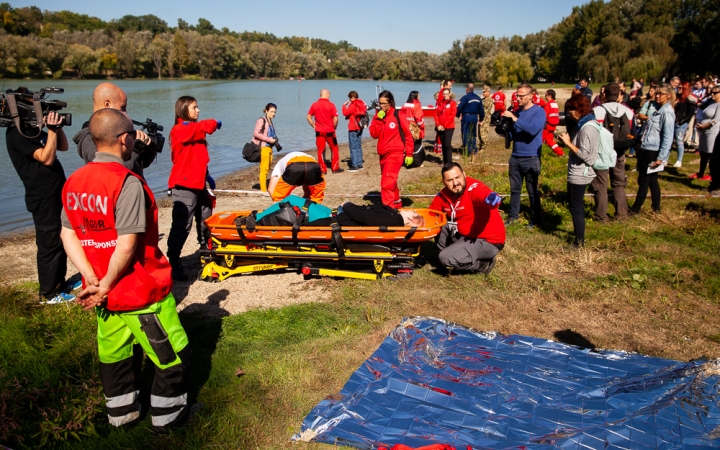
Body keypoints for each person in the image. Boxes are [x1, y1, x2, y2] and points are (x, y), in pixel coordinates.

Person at [60, 108, 191, 431]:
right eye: (132, 134)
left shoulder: (74, 180)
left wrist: (89, 276)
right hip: (139, 291)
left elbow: (67, 232)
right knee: (173, 355)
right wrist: (104, 283)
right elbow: (127, 244)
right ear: (124, 140)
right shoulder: (127, 183)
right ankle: (168, 417)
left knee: (114, 355)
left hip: (103, 296)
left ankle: (121, 416)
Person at [5, 87, 73, 303]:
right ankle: (48, 293)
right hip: (42, 197)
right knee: (49, 243)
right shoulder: (17, 133)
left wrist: (56, 128)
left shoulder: (34, 130)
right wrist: (51, 130)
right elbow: (46, 158)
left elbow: (62, 147)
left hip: (56, 191)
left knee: (61, 238)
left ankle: (60, 283)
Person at [166, 96, 221, 281]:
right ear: (183, 109)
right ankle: (173, 261)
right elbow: (201, 127)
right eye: (194, 108)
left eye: (198, 107)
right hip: (184, 185)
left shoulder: (193, 131)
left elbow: (198, 156)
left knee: (206, 219)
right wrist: (214, 122)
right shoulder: (179, 130)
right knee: (182, 225)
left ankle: (206, 252)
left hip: (199, 183)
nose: (198, 110)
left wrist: (207, 175)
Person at [429, 163, 505, 274]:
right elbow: (431, 215)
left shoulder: (473, 188)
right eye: (450, 180)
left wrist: (491, 199)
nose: (455, 183)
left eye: (457, 177)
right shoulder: (444, 195)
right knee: (440, 222)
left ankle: (482, 265)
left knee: (446, 258)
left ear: (464, 175)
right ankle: (446, 261)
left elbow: (483, 194)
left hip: (487, 241)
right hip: (466, 236)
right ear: (444, 182)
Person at [74, 82, 155, 178]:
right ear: (107, 104)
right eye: (123, 107)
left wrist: (148, 148)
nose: (126, 112)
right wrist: (135, 150)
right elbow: (110, 172)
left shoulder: (117, 131)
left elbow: (138, 164)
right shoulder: (90, 136)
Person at [502, 84, 547, 227]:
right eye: (517, 95)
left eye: (521, 96)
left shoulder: (538, 112)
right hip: (515, 156)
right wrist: (504, 128)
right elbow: (513, 134)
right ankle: (513, 216)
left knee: (532, 190)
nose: (518, 98)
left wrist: (515, 120)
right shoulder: (517, 112)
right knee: (515, 189)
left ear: (531, 96)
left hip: (531, 157)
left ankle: (535, 218)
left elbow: (533, 130)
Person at [558, 95, 600, 247]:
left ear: (580, 109)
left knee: (576, 207)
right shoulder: (585, 125)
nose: (569, 113)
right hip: (577, 171)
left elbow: (586, 155)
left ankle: (579, 242)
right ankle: (578, 238)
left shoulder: (588, 128)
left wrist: (568, 143)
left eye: (572, 110)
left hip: (580, 173)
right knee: (575, 206)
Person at [630, 84, 676, 215]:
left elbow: (667, 137)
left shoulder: (667, 112)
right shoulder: (658, 109)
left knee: (644, 180)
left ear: (668, 96)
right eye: (656, 93)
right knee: (652, 180)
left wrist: (661, 158)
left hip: (653, 150)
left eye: (660, 94)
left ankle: (635, 209)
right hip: (647, 147)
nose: (657, 96)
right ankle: (656, 209)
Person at [591, 82, 634, 222]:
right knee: (618, 183)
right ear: (620, 94)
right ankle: (622, 214)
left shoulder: (597, 111)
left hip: (602, 152)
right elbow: (632, 133)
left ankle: (601, 216)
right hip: (620, 151)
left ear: (604, 94)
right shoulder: (628, 111)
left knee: (601, 185)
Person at [369, 90, 413, 209]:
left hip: (395, 154)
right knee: (390, 181)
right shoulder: (379, 116)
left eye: (384, 103)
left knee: (386, 184)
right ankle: (396, 203)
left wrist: (409, 153)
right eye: (380, 103)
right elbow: (373, 134)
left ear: (390, 103)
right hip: (383, 155)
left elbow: (408, 135)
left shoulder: (398, 115)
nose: (382, 106)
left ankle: (388, 210)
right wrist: (378, 119)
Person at [690, 86, 720, 181]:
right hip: (703, 131)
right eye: (711, 92)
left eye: (715, 93)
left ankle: (712, 174)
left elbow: (715, 120)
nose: (712, 94)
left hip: (713, 131)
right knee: (703, 152)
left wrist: (704, 126)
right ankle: (701, 172)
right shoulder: (711, 103)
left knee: (710, 154)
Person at [307, 89, 341, 174]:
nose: (329, 96)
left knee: (320, 149)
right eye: (329, 94)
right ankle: (335, 167)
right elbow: (335, 119)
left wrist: (314, 126)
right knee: (334, 148)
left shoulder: (314, 105)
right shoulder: (331, 105)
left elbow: (308, 117)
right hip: (330, 131)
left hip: (319, 131)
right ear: (327, 94)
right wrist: (334, 127)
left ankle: (322, 169)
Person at [253, 103, 278, 192]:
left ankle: (265, 188)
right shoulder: (261, 120)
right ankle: (263, 191)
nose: (273, 114)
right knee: (264, 169)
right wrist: (268, 139)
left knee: (267, 168)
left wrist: (274, 141)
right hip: (264, 147)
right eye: (271, 112)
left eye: (274, 112)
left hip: (269, 147)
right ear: (266, 111)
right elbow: (256, 133)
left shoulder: (270, 121)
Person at [456, 83, 485, 158]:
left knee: (466, 133)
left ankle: (468, 150)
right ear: (474, 89)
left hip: (466, 116)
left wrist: (458, 115)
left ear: (467, 89)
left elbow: (459, 108)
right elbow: (481, 110)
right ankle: (474, 149)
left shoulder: (465, 98)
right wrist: (481, 118)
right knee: (473, 134)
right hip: (474, 117)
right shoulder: (478, 98)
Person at [341, 91, 368, 172]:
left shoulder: (353, 104)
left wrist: (344, 105)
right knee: (358, 145)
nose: (349, 99)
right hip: (360, 126)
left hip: (353, 127)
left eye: (350, 97)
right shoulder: (361, 103)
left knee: (353, 147)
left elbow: (345, 113)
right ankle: (359, 164)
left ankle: (354, 165)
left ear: (352, 97)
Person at [673, 82, 696, 168]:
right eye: (678, 87)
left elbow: (690, 113)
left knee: (679, 142)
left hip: (681, 124)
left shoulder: (689, 100)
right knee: (669, 141)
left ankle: (679, 160)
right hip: (672, 122)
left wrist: (682, 121)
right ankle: (664, 159)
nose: (678, 89)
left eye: (681, 88)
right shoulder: (676, 97)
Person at [401, 91, 425, 168]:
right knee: (417, 145)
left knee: (406, 144)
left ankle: (405, 159)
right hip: (415, 128)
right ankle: (417, 160)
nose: (420, 96)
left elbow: (401, 115)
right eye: (419, 95)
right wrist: (422, 126)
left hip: (405, 127)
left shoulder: (405, 105)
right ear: (416, 96)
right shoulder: (416, 105)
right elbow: (418, 118)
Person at [436, 88, 458, 165]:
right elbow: (436, 114)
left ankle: (449, 161)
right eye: (444, 94)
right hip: (440, 127)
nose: (445, 95)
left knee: (447, 144)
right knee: (443, 144)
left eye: (446, 94)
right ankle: (444, 160)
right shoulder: (440, 103)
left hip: (449, 127)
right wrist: (438, 125)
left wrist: (444, 125)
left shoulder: (453, 103)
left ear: (449, 94)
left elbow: (452, 115)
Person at [542, 89, 563, 156]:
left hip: (547, 125)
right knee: (549, 140)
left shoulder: (548, 104)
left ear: (549, 95)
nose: (545, 96)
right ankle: (560, 153)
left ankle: (535, 154)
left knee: (540, 139)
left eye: (546, 95)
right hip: (553, 125)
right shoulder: (555, 104)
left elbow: (544, 115)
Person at [478, 85, 494, 155]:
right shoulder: (483, 100)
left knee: (483, 133)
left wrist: (482, 119)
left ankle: (484, 147)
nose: (483, 93)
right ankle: (481, 146)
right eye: (483, 92)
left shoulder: (489, 100)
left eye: (484, 92)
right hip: (481, 118)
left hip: (485, 118)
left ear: (488, 92)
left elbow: (485, 110)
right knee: (480, 133)